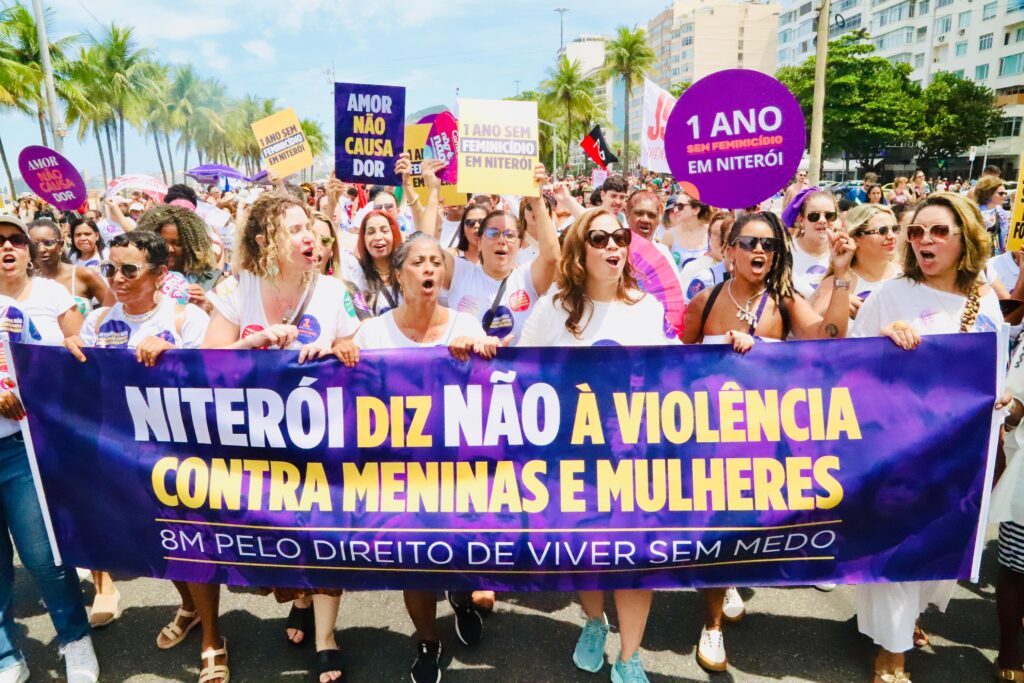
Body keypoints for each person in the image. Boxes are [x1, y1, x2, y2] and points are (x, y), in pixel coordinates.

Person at [682, 210, 854, 673]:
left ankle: (731, 578)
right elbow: (676, 367)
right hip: (710, 436)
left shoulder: (785, 299)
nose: (760, 251)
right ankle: (713, 624)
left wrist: (840, 279)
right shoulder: (704, 300)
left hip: (764, 438)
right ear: (729, 250)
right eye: (750, 243)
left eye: (769, 245)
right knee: (719, 524)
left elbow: (828, 338)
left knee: (746, 522)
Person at [203, 191, 361, 683]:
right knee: (280, 541)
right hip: (255, 445)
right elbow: (208, 362)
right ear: (264, 238)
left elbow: (356, 342)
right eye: (293, 229)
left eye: (308, 227)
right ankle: (299, 595)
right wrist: (248, 346)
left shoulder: (334, 290)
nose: (308, 236)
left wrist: (339, 348)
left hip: (321, 441)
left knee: (327, 534)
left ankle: (326, 637)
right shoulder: (236, 288)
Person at [518, 208, 677, 683]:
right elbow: (518, 366)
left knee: (634, 559)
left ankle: (630, 655)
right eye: (600, 237)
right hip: (572, 460)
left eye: (620, 236)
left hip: (634, 459)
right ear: (579, 252)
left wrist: (731, 351)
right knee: (587, 553)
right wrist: (477, 347)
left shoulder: (646, 308)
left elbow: (675, 375)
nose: (613, 245)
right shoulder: (554, 308)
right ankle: (593, 621)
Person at [331, 232, 498, 683]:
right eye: (419, 262)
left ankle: (461, 599)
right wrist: (341, 352)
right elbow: (349, 393)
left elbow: (496, 393)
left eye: (435, 262)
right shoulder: (373, 332)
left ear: (443, 275)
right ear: (400, 273)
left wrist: (478, 359)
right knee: (415, 560)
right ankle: (427, 639)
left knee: (460, 554)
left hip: (459, 470)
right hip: (398, 472)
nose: (429, 268)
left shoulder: (466, 325)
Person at [851, 192, 1003, 683]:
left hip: (957, 453)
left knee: (937, 551)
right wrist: (883, 340)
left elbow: (992, 372)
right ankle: (890, 654)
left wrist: (998, 404)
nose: (923, 241)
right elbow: (849, 367)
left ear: (966, 240)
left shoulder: (986, 302)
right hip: (897, 450)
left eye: (938, 232)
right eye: (915, 232)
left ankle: (905, 621)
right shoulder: (890, 295)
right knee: (898, 546)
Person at [0, 214, 99, 683]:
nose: (8, 248)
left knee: (43, 555)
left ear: (28, 249)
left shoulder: (53, 295)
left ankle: (75, 640)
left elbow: (79, 351)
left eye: (15, 240)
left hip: (26, 447)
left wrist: (74, 343)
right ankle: (5, 654)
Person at [428, 164, 558, 342]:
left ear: (520, 244)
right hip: (467, 369)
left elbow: (551, 257)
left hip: (519, 370)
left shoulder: (527, 277)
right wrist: (433, 193)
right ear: (479, 242)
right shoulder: (461, 272)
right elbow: (427, 251)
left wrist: (537, 201)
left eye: (510, 235)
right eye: (492, 233)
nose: (501, 240)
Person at [811, 204, 901, 320]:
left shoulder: (908, 275)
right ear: (856, 238)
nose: (891, 236)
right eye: (882, 231)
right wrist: (836, 304)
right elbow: (810, 329)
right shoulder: (838, 282)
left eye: (895, 229)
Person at [135, 205, 223, 312]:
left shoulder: (211, 279)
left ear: (191, 245)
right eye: (162, 242)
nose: (169, 249)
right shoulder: (136, 276)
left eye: (177, 243)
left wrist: (207, 306)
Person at [28, 219, 113, 315]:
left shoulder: (84, 275)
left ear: (60, 245)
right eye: (34, 245)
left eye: (48, 243)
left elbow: (113, 313)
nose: (41, 249)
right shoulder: (27, 282)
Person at [344, 210, 403, 317]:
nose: (378, 237)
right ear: (363, 239)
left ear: (394, 234)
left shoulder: (407, 270)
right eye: (371, 232)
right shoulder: (356, 272)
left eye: (384, 231)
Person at [784, 189, 840, 298]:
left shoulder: (845, 252)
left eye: (829, 215)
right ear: (801, 220)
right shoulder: (785, 253)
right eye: (814, 216)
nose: (822, 220)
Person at [681, 211, 733, 304]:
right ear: (709, 236)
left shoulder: (742, 270)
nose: (721, 239)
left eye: (727, 235)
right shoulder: (693, 269)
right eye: (716, 234)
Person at [661, 194, 711, 272]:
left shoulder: (710, 232)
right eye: (675, 205)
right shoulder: (669, 236)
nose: (675, 210)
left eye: (680, 206)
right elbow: (661, 268)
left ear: (696, 210)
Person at [975, 176, 1011, 255]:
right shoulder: (975, 212)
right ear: (988, 194)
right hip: (979, 255)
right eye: (1001, 193)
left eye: (1005, 193)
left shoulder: (1001, 212)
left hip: (996, 255)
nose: (1004, 196)